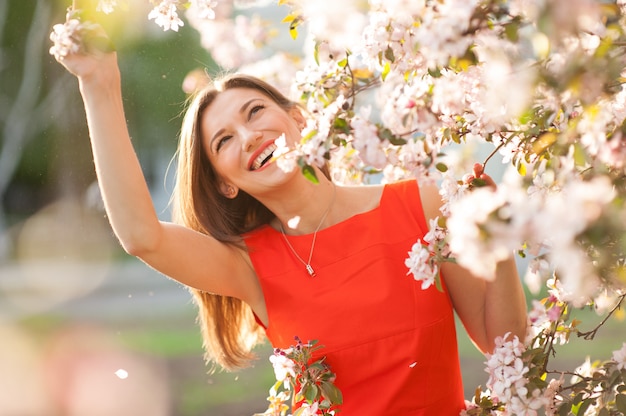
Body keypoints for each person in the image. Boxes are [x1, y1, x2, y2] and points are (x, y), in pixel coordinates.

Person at [54, 27, 527, 415]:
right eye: (224, 141)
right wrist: (99, 84)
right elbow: (141, 236)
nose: (248, 136)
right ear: (225, 184)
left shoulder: (422, 205)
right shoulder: (250, 265)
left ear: (298, 118)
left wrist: (499, 240)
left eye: (255, 111)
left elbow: (501, 342)